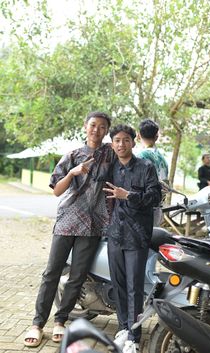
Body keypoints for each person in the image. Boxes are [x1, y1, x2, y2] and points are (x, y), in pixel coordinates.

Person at [24, 111, 114, 347]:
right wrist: (73, 172)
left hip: (93, 224)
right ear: (85, 126)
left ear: (106, 131)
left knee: (77, 276)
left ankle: (60, 320)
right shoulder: (72, 155)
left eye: (102, 126)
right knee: (52, 272)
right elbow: (56, 190)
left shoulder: (110, 155)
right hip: (67, 221)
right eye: (93, 125)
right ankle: (37, 323)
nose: (97, 130)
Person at [103, 124, 162, 353]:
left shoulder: (146, 167)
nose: (121, 144)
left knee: (134, 288)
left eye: (125, 140)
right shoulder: (111, 168)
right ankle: (123, 329)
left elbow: (155, 197)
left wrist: (128, 195)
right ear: (112, 144)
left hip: (137, 236)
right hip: (115, 235)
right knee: (117, 284)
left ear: (133, 142)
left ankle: (134, 336)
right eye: (117, 140)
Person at [136, 119, 168, 226]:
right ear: (156, 137)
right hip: (158, 205)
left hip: (143, 207)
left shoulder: (140, 157)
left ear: (138, 135)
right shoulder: (162, 159)